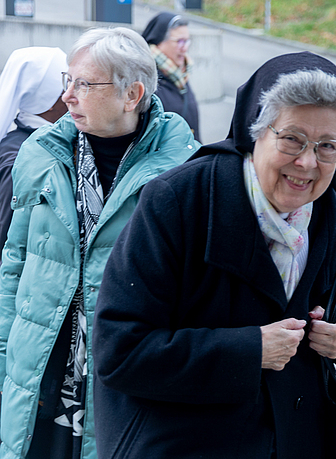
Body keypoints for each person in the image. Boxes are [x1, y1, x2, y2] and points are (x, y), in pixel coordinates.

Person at [91, 52, 336, 458]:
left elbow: (331, 295)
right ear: (255, 133)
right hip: (186, 444)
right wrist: (250, 350)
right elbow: (119, 351)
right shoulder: (179, 201)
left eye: (327, 146)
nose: (307, 162)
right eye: (292, 138)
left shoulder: (327, 212)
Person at [0, 28, 197, 458]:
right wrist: (3, 369)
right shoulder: (41, 154)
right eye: (67, 81)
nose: (67, 96)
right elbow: (13, 268)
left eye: (84, 84)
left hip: (127, 390)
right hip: (38, 381)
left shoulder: (185, 172)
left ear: (132, 95)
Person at [0, 47, 69, 247]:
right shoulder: (17, 158)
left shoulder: (45, 140)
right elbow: (7, 240)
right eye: (68, 84)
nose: (75, 93)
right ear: (48, 100)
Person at [141, 11, 201, 140]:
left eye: (187, 41)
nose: (184, 48)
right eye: (179, 41)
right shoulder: (146, 80)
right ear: (158, 42)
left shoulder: (180, 75)